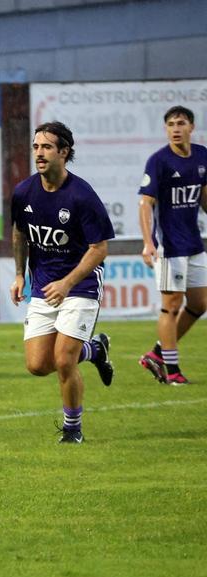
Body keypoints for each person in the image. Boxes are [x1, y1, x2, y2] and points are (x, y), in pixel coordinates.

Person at [10, 121, 115, 445]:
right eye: (36, 147)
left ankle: (72, 430)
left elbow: (99, 249)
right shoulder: (23, 192)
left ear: (64, 152)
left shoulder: (82, 196)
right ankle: (95, 349)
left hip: (80, 285)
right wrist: (19, 274)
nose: (39, 153)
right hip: (44, 286)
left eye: (46, 147)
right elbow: (19, 233)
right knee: (38, 365)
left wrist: (68, 283)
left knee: (64, 359)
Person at [137, 105, 207, 385]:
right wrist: (147, 243)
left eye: (181, 123)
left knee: (200, 303)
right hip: (169, 247)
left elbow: (204, 197)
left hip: (194, 244)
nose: (176, 129)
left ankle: (156, 354)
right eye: (171, 124)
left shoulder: (202, 156)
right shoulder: (159, 161)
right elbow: (145, 203)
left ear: (191, 127)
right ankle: (172, 370)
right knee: (172, 305)